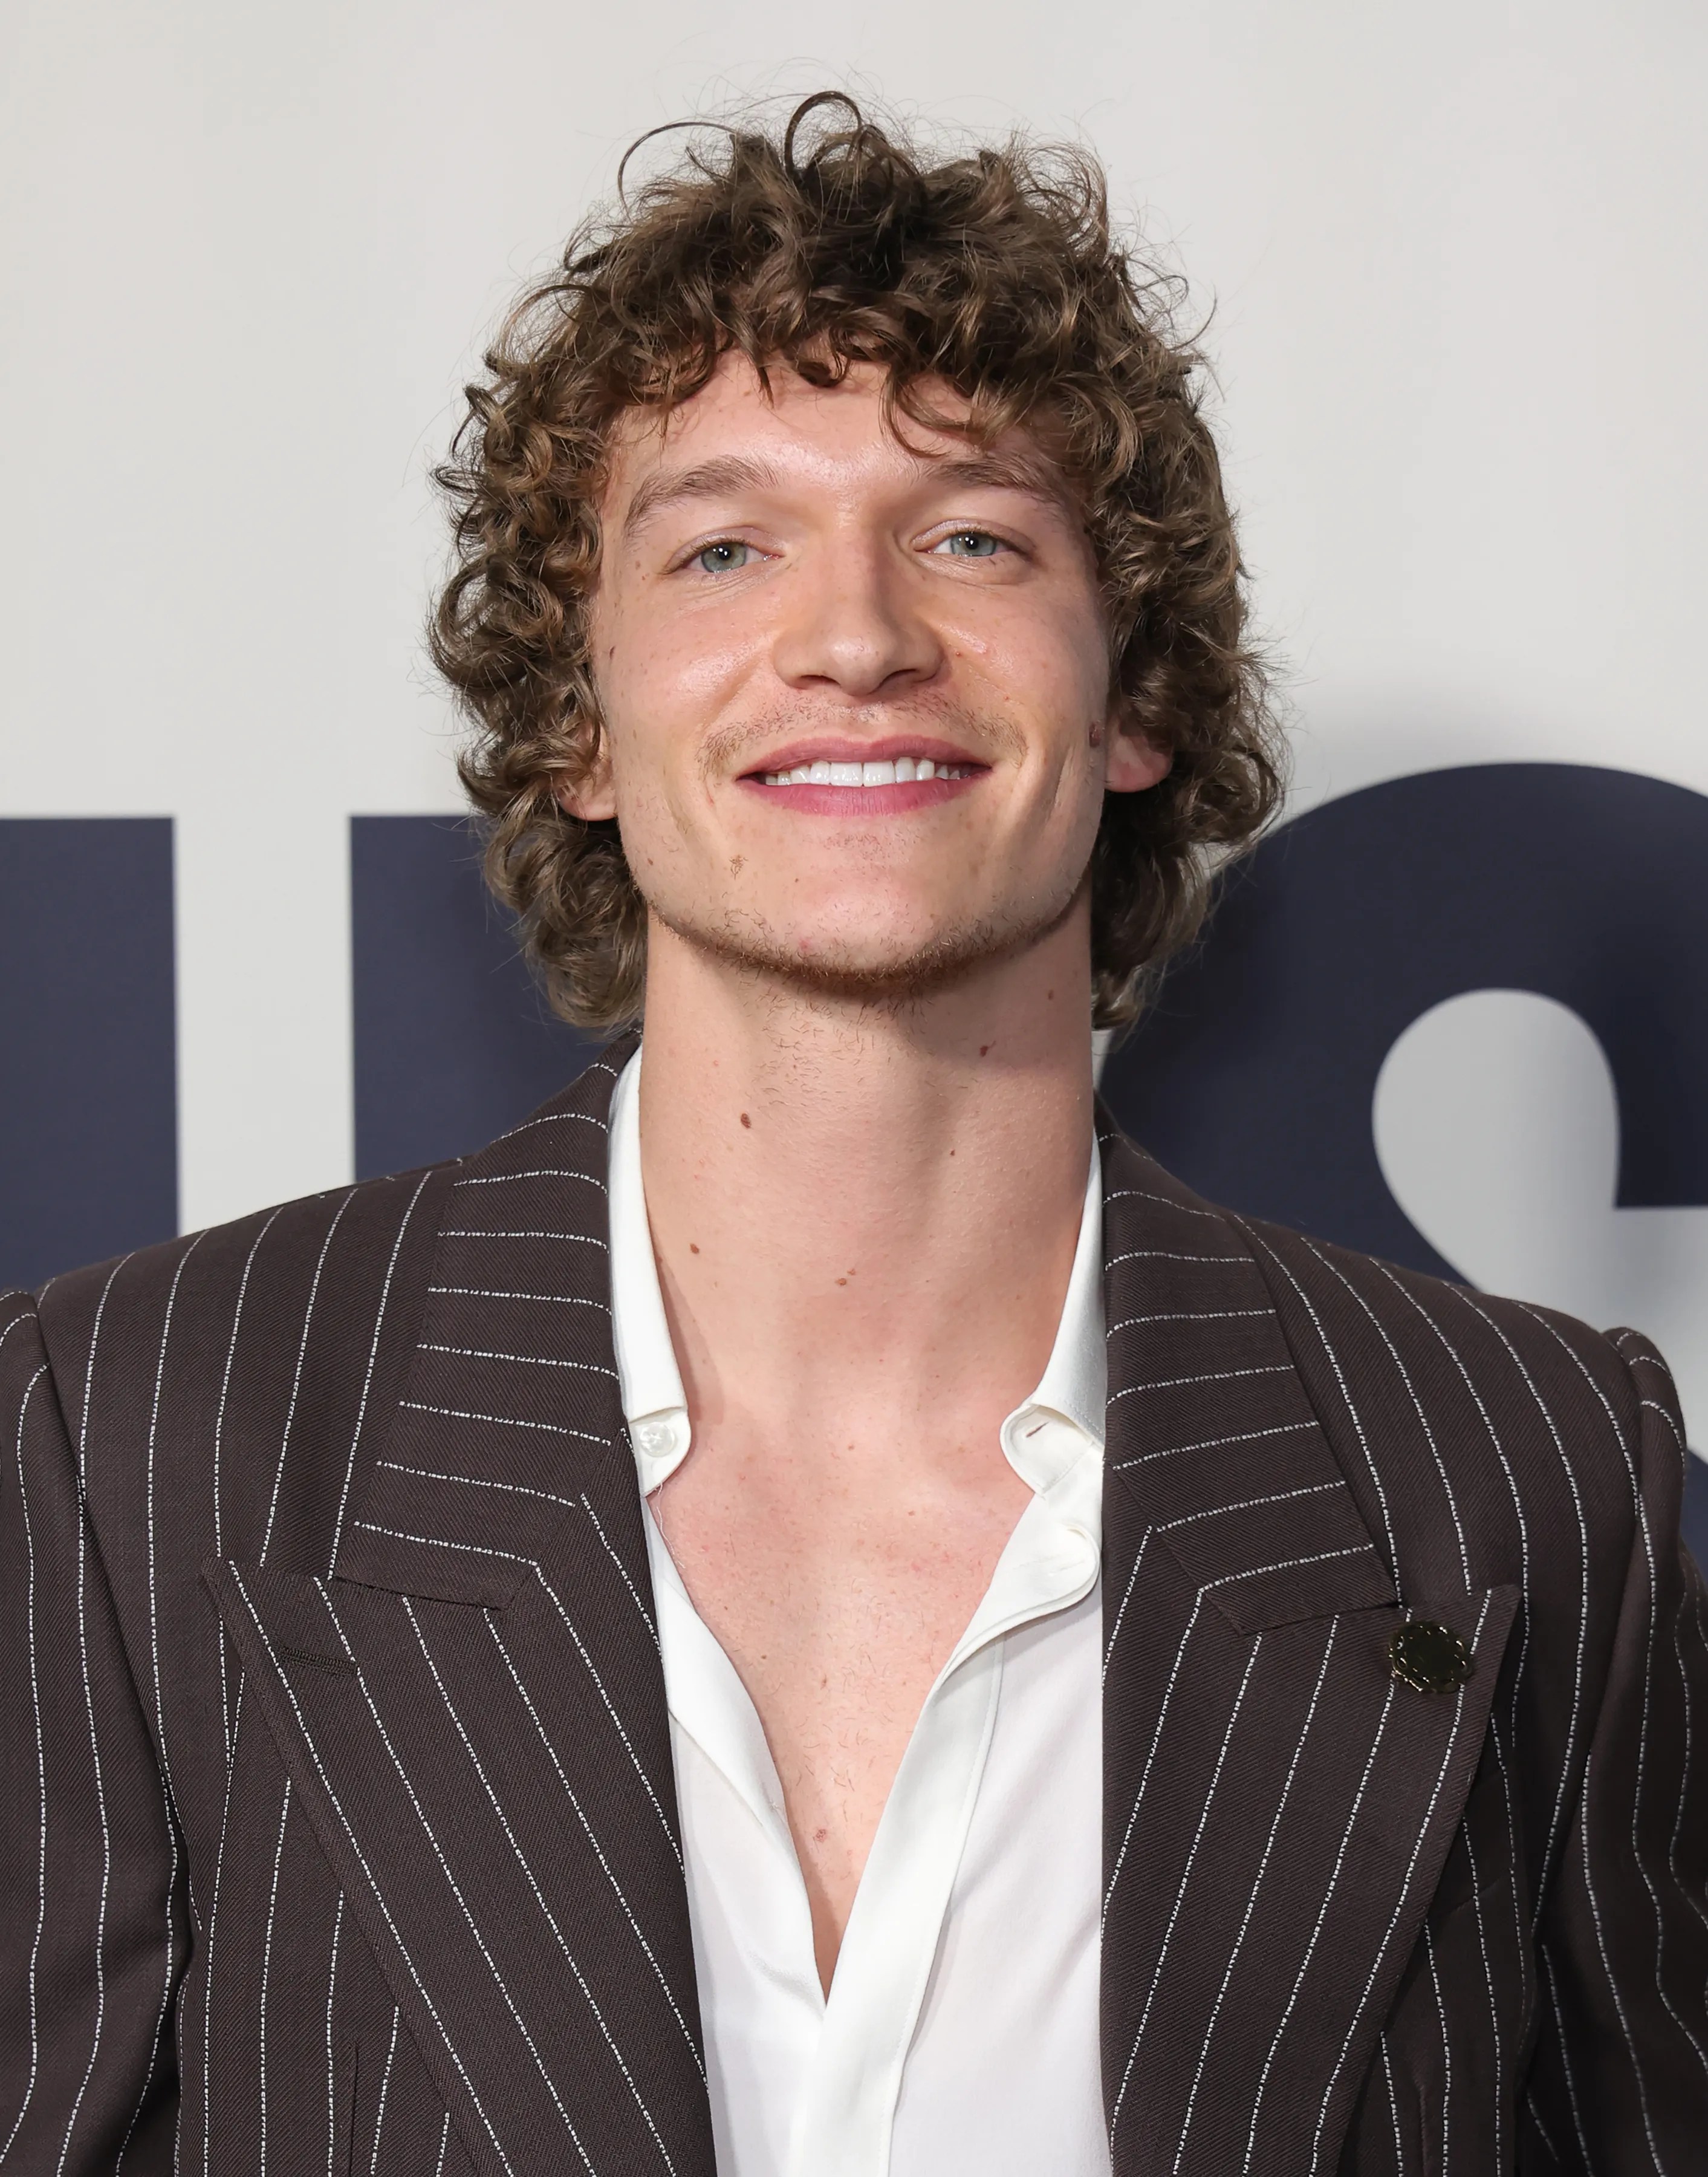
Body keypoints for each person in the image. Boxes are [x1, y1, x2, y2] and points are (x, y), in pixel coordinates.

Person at [2, 92, 1704, 2177]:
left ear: (1134, 698)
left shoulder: (1520, 1473)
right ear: (579, 724)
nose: (857, 637)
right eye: (722, 549)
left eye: (971, 537)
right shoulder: (135, 1436)